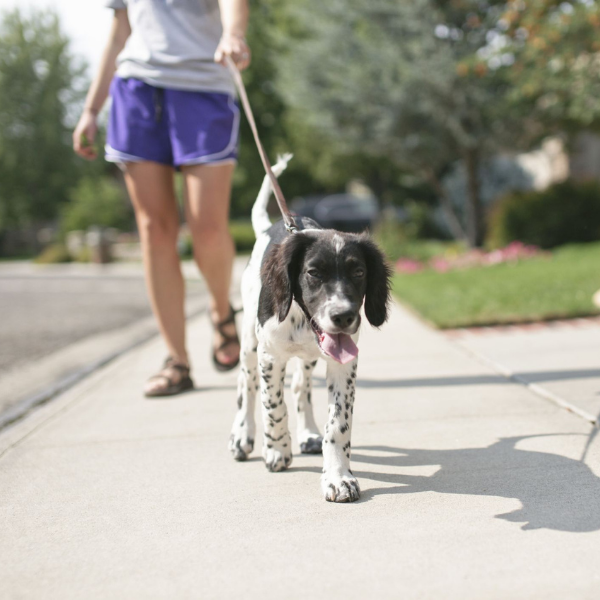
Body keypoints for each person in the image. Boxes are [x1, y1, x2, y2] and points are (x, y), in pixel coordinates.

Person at [73, 0, 250, 396]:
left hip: (203, 87)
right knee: (154, 230)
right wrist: (90, 109)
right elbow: (120, 31)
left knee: (206, 227)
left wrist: (233, 33)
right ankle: (177, 360)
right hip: (136, 89)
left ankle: (221, 311)